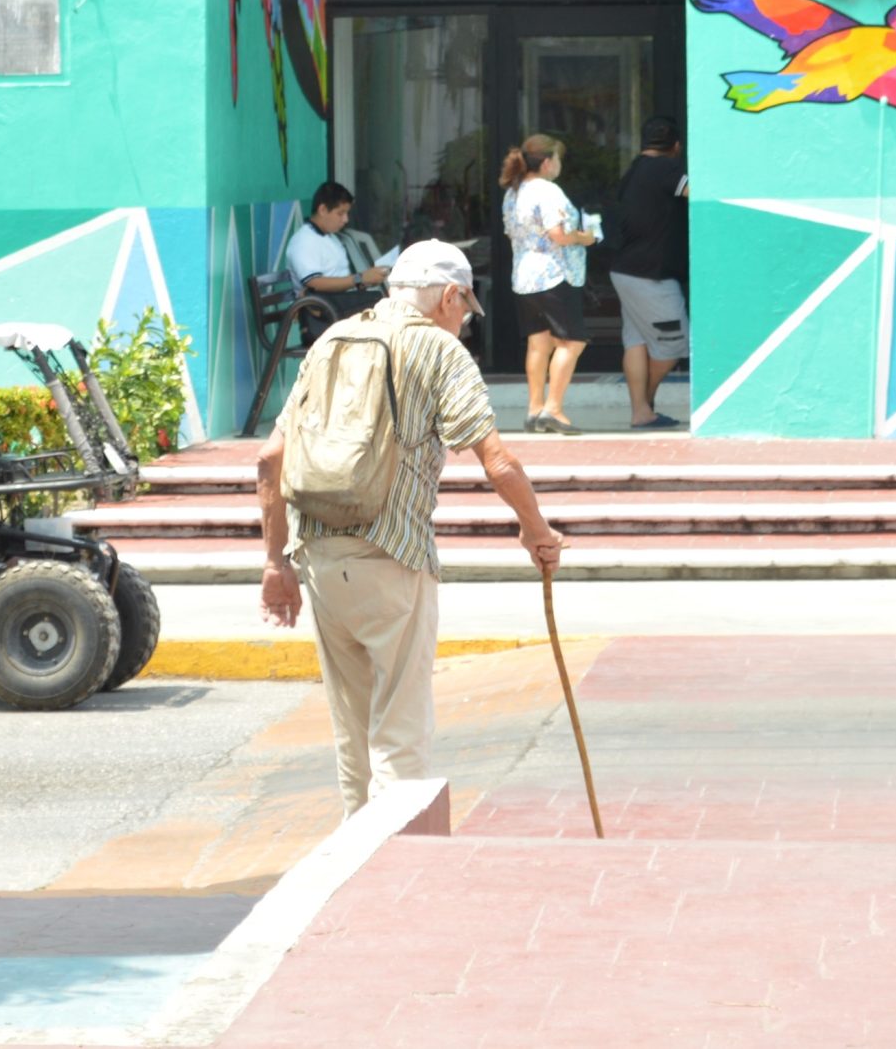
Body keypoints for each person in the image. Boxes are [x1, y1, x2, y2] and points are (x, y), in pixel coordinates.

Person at [256, 239, 566, 819]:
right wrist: (536, 531)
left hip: (319, 557)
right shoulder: (441, 352)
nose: (463, 324)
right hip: (392, 556)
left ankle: (355, 865)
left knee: (353, 736)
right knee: (399, 736)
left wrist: (276, 564)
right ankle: (397, 869)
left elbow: (269, 460)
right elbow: (498, 460)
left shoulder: (330, 340)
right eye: (463, 309)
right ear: (450, 296)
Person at [499, 134, 599, 435]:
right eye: (557, 159)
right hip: (555, 274)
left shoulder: (514, 191)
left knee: (539, 342)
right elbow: (558, 233)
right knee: (573, 341)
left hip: (524, 275)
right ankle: (553, 408)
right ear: (546, 162)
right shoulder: (548, 190)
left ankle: (534, 408)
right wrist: (587, 237)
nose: (559, 166)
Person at [610, 116, 690, 429]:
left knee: (637, 342)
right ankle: (647, 401)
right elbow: (697, 193)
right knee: (673, 344)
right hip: (651, 276)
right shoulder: (667, 169)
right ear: (676, 147)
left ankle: (641, 412)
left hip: (625, 271)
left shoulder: (633, 171)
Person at [285, 180, 390, 343]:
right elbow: (314, 283)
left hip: (335, 305)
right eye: (340, 213)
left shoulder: (331, 238)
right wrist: (359, 278)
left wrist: (362, 282)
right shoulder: (304, 241)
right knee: (381, 302)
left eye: (347, 213)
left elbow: (338, 277)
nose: (345, 220)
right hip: (321, 313)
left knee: (386, 301)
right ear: (322, 209)